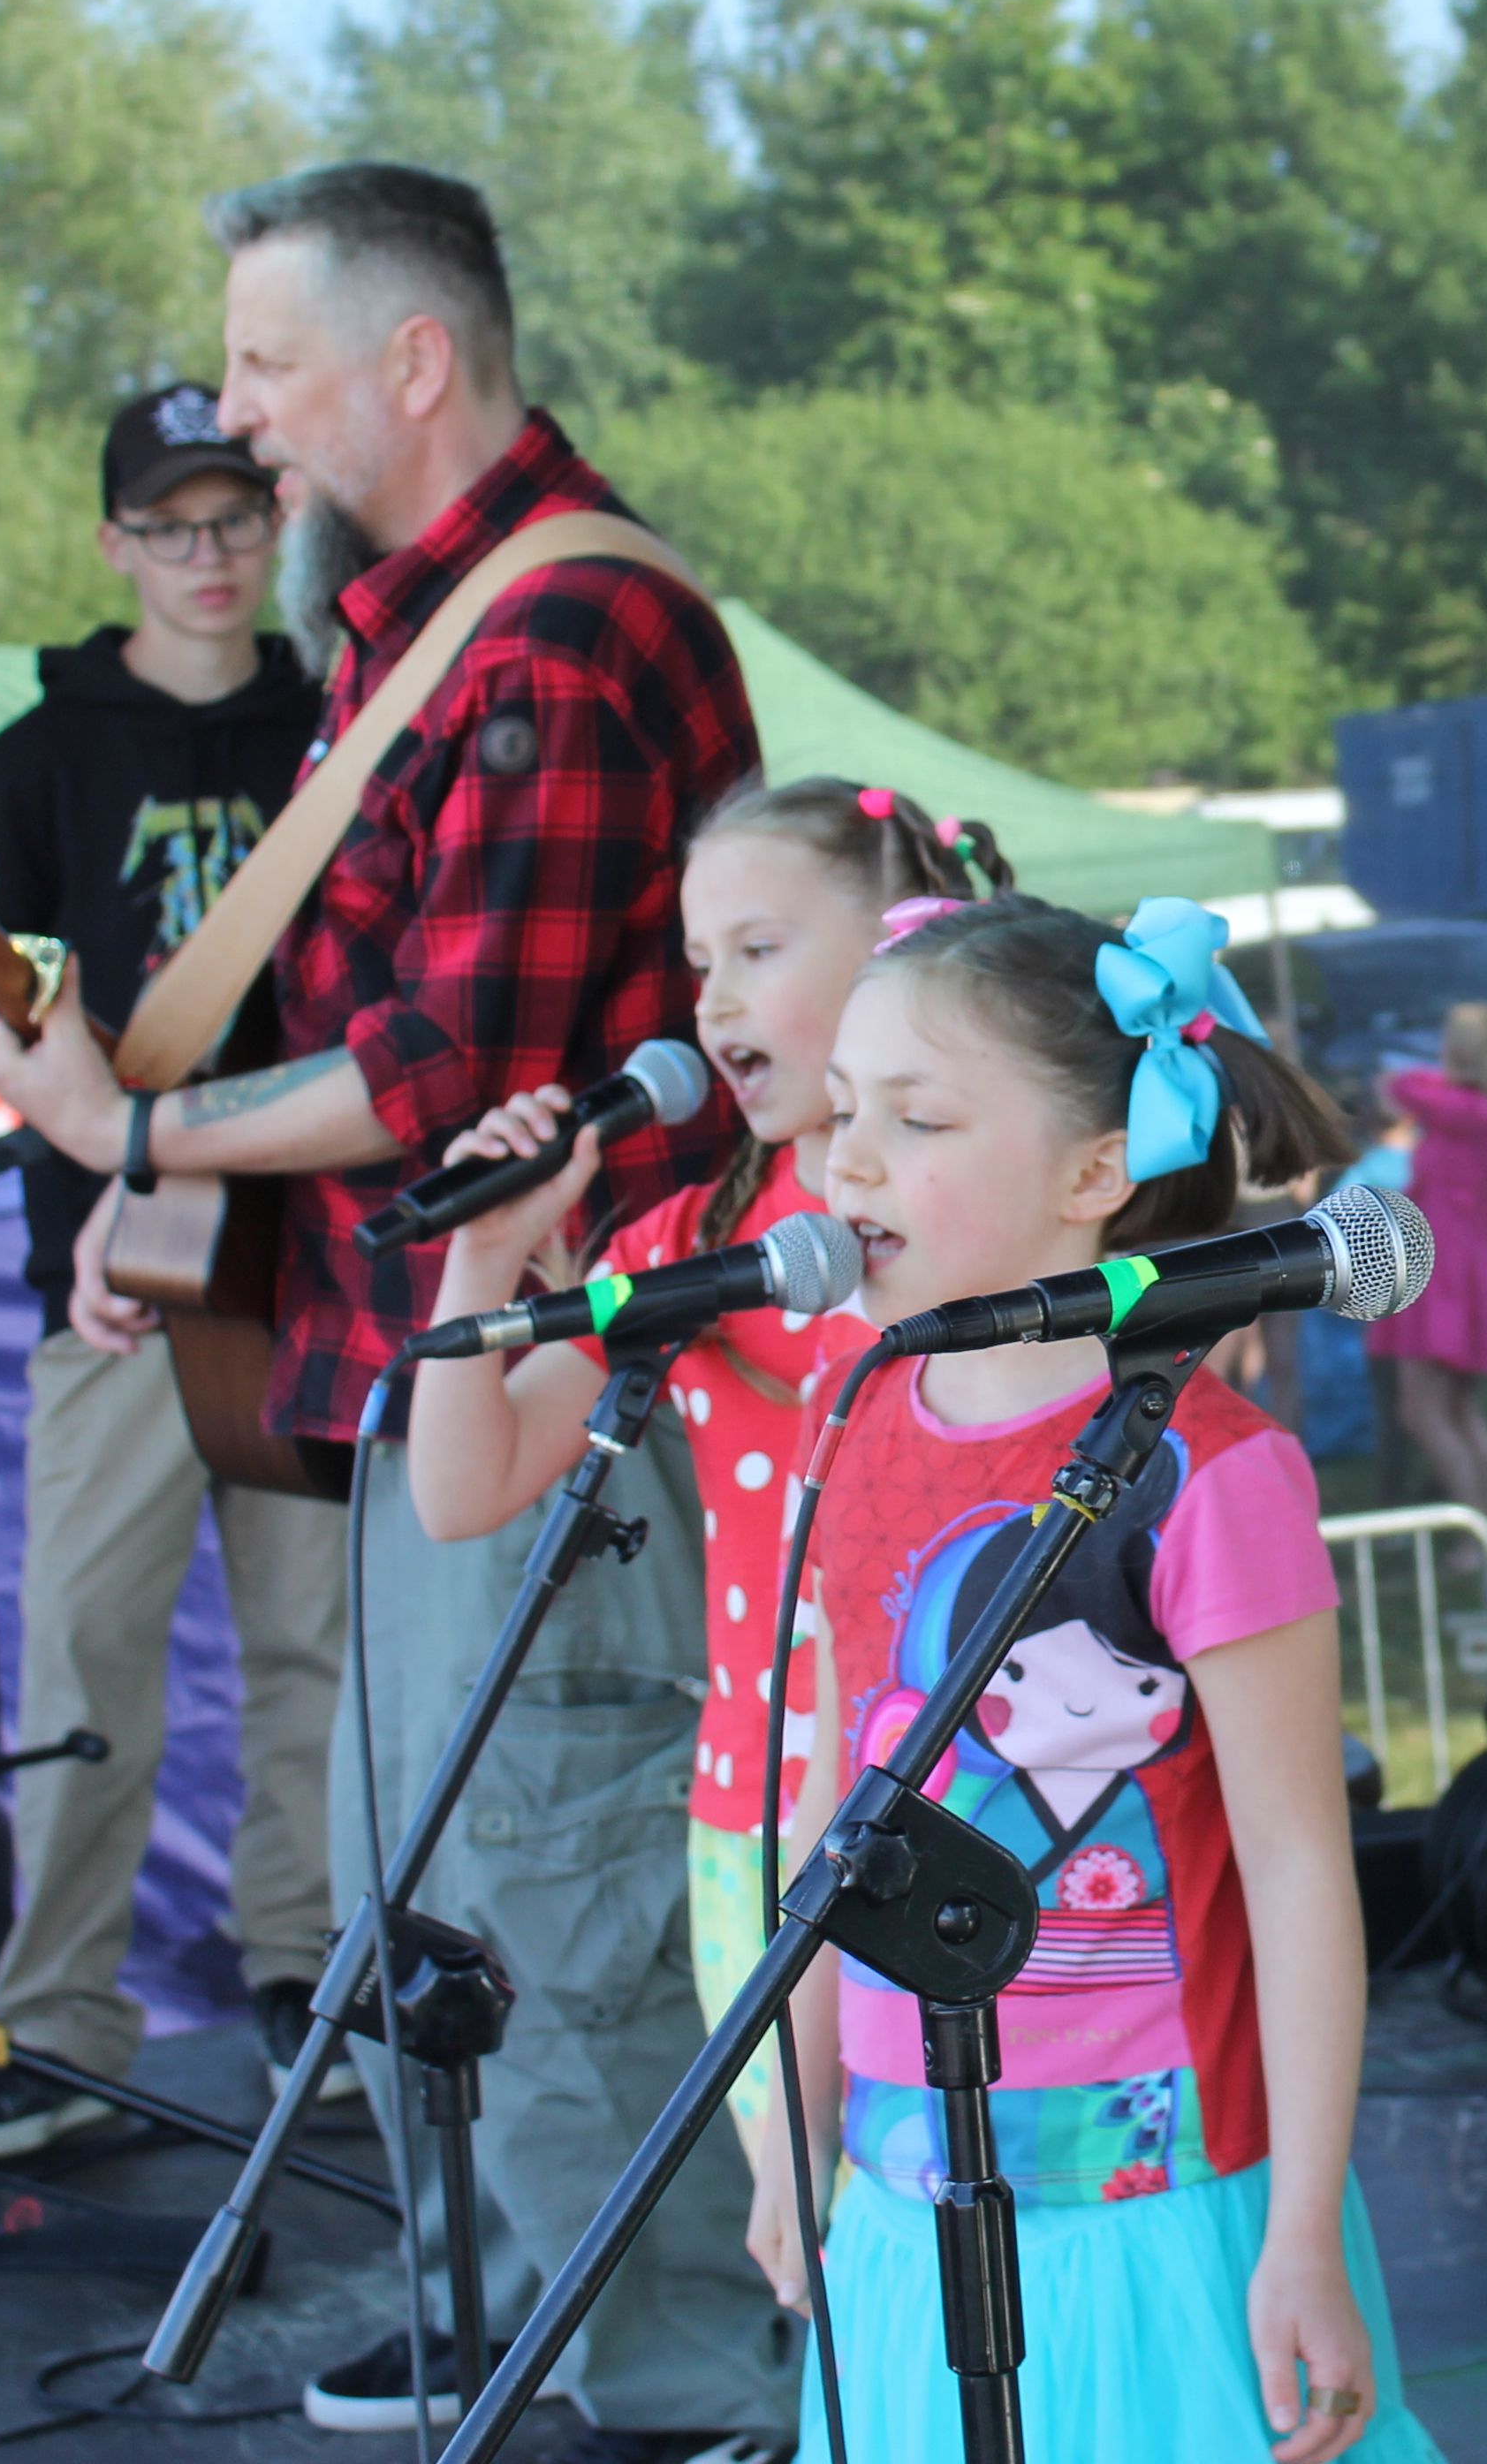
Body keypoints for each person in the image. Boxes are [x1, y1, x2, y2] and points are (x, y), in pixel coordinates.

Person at [0, 163, 770, 2448]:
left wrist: (137, 1134)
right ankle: (499, 2299)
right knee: (430, 1872)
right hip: (433, 1367)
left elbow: (450, 1067)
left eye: (269, 364)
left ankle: (665, 2366)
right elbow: (361, 1027)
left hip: (556, 1375)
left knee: (552, 1865)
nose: (239, 415)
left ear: (414, 362)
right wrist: (174, 1206)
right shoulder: (418, 632)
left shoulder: (558, 633)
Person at [757, 895, 1436, 2462]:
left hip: (1162, 2200)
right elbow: (829, 1810)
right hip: (903, 2187)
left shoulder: (1212, 1470)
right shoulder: (849, 1418)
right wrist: (793, 2125)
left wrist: (1302, 2233)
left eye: (917, 1118)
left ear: (1094, 1175)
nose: (849, 1164)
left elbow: (1295, 1868)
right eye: (842, 1112)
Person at [400, 785, 1008, 2155]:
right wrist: (484, 1255)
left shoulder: (982, 1223)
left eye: (759, 949)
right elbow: (461, 1489)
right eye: (698, 962)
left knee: (980, 2203)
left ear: (902, 942)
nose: (714, 1000)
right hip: (751, 1815)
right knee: (809, 2226)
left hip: (979, 1799)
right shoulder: (690, 1242)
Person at [0, 382, 338, 2158]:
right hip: (112, 1276)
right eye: (171, 528)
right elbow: (3, 1011)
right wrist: (102, 1172)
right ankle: (50, 2021)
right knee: (85, 1652)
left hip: (313, 1260)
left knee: (314, 1646)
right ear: (115, 544)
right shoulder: (40, 759)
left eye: (235, 519)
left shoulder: (337, 723)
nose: (207, 557)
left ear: (277, 524)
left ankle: (313, 1975)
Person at [1364, 1001, 1487, 1525]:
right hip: (1465, 1268)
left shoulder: (1466, 1113)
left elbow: (1399, 1086)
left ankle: (1476, 1524)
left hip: (1443, 1275)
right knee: (1458, 1408)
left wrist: (1445, 1072)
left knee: (1422, 1409)